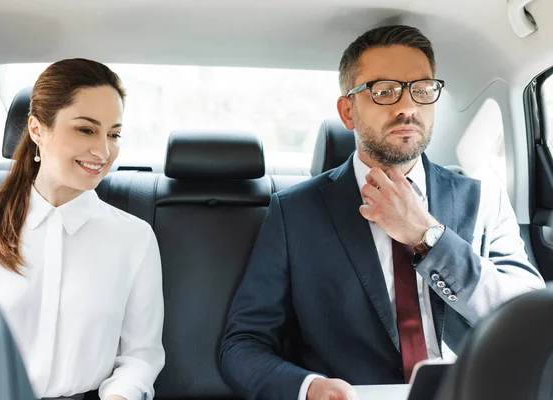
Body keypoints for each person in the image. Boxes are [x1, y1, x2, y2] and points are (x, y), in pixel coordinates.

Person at [219, 25, 545, 400]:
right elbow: (242, 345)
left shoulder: (484, 199)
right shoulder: (295, 213)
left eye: (421, 89)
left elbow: (526, 319)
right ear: (348, 111)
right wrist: (308, 388)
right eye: (384, 91)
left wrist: (427, 237)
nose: (407, 107)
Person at [0, 59, 165, 400]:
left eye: (114, 134)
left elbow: (141, 355)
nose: (104, 150)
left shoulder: (134, 239)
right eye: (86, 129)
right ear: (37, 130)